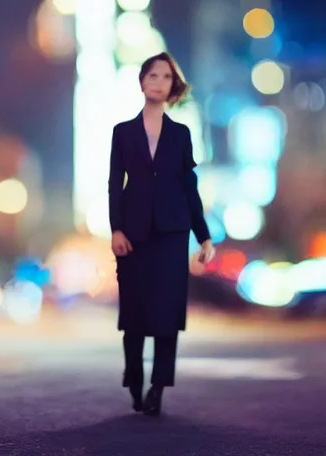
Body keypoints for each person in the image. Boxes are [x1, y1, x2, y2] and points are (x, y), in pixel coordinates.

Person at [108, 52, 214, 416]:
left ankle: (158, 388)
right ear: (141, 81)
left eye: (165, 77)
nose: (158, 81)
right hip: (134, 235)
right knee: (135, 312)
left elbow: (189, 185)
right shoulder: (122, 132)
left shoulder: (181, 135)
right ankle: (134, 380)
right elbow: (114, 184)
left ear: (172, 86)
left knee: (167, 313)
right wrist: (116, 229)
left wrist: (204, 236)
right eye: (152, 75)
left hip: (172, 232)